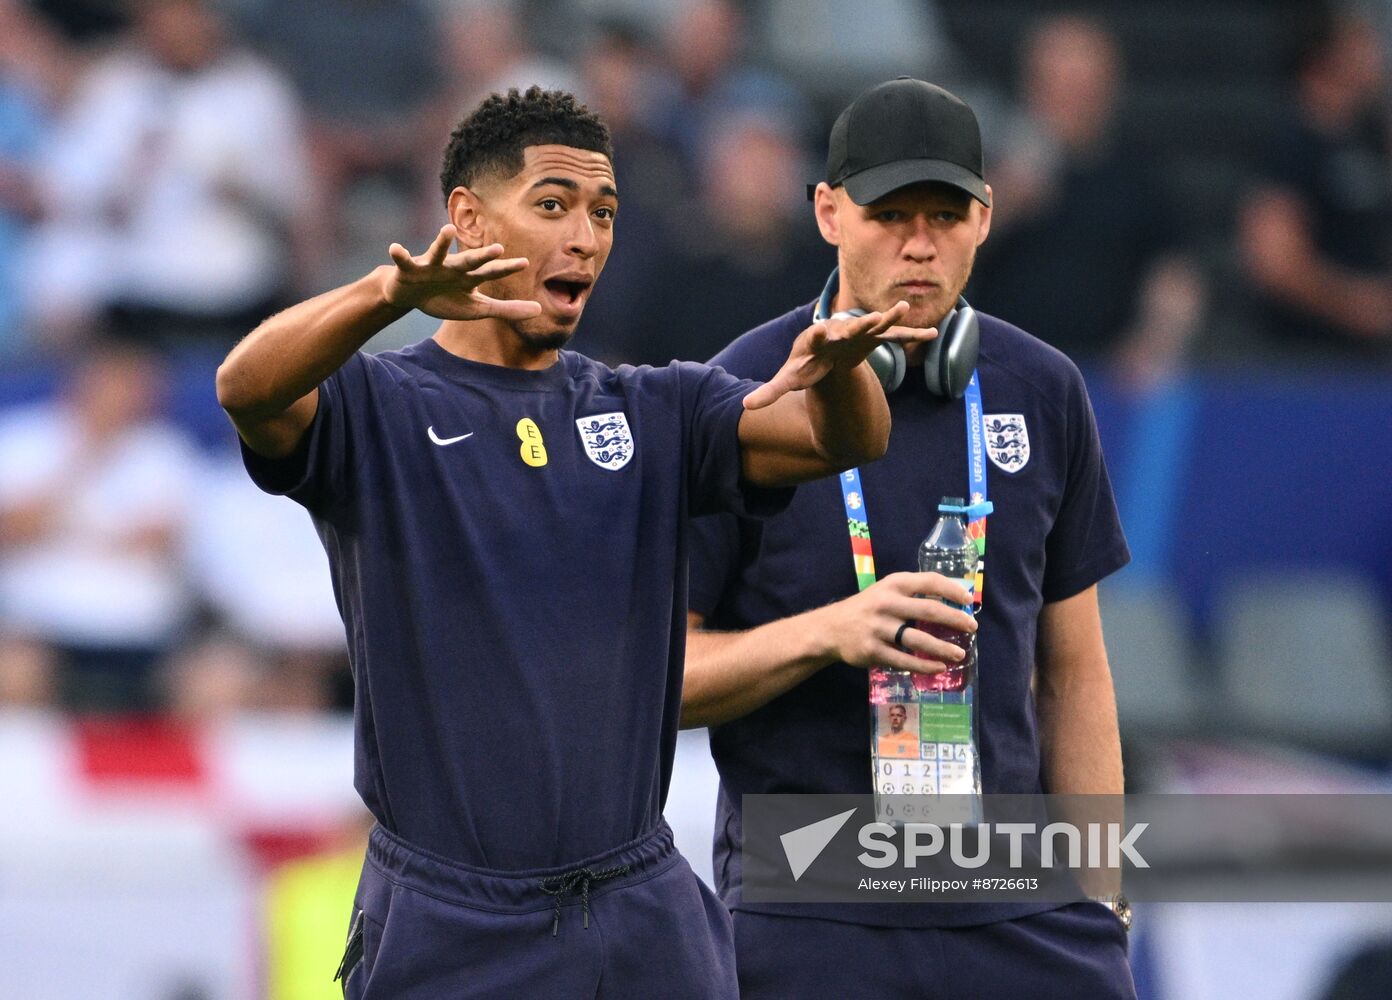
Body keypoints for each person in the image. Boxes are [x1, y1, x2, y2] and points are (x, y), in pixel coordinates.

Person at [216, 86, 930, 999]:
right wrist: (386, 290)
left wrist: (835, 370)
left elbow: (849, 441)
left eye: (603, 213)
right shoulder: (378, 406)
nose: (586, 237)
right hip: (451, 917)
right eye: (553, 206)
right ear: (468, 219)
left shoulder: (653, 406)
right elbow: (249, 390)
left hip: (640, 908)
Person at [685, 77, 1135, 998]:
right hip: (806, 901)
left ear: (986, 216)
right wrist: (830, 633)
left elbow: (1076, 670)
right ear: (827, 213)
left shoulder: (1042, 389)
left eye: (946, 212)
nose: (920, 244)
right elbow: (664, 677)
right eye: (890, 214)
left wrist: (1101, 897)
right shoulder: (736, 393)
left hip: (1015, 900)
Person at [1238, 4, 1392, 363]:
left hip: (1369, 362)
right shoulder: (1289, 143)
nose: (1376, 54)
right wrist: (1358, 305)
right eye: (1361, 43)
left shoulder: (1367, 139)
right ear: (1327, 56)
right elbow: (1274, 261)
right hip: (1306, 360)